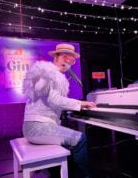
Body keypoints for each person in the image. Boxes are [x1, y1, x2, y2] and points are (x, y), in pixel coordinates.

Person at [22, 43, 96, 178]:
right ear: (56, 56)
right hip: (37, 127)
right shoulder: (49, 73)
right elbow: (55, 100)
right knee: (80, 139)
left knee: (69, 144)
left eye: (71, 59)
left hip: (36, 126)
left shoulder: (49, 73)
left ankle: (56, 172)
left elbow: (51, 101)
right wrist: (80, 103)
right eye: (65, 56)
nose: (68, 60)